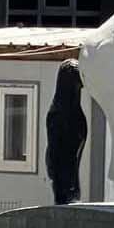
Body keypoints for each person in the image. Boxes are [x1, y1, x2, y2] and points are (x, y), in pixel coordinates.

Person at [43, 61, 87, 206]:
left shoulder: (74, 109)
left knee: (72, 168)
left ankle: (72, 193)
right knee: (65, 169)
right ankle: (66, 194)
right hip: (60, 165)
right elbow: (55, 148)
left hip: (70, 164)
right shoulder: (58, 113)